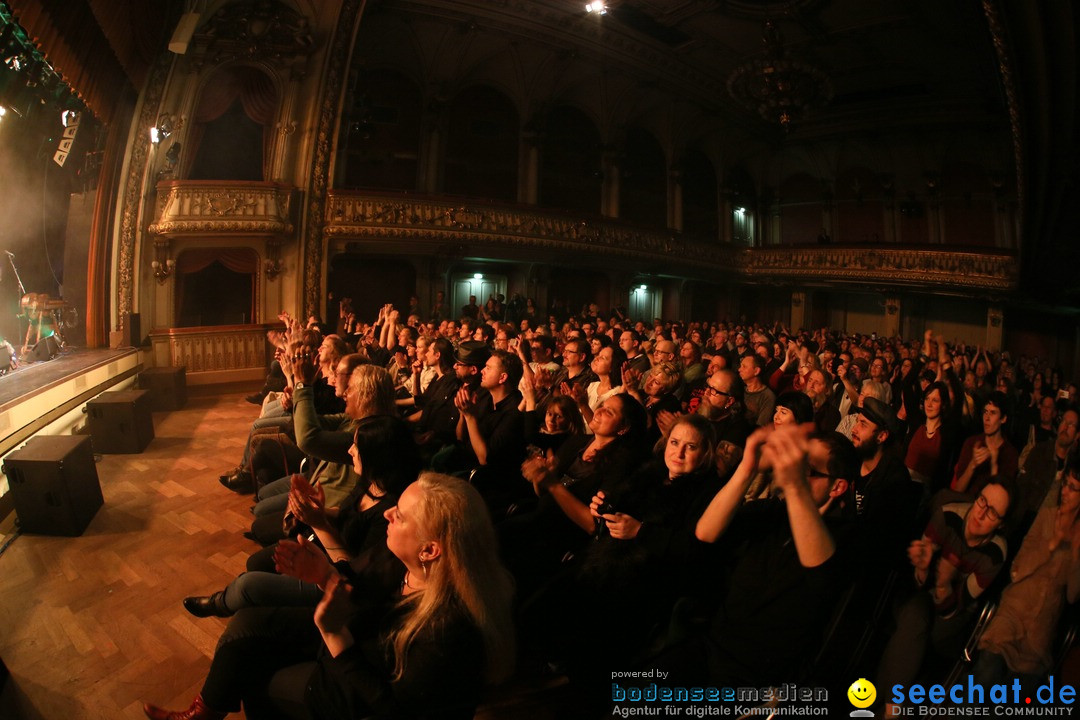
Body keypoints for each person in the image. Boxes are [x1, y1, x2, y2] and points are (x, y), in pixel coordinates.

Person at [143, 473, 515, 720]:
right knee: (248, 627)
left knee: (257, 681)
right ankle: (203, 714)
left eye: (400, 516)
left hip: (354, 681)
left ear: (430, 550)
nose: (388, 514)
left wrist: (335, 634)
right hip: (352, 637)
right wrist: (322, 573)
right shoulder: (400, 557)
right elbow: (358, 581)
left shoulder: (448, 627)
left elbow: (391, 710)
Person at [182, 416, 420, 617]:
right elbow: (349, 516)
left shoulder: (391, 511)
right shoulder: (372, 481)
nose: (350, 451)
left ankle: (219, 603)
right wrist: (318, 510)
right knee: (256, 562)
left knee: (247, 585)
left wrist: (319, 524)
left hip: (334, 579)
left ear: (377, 457)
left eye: (357, 446)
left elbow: (355, 571)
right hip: (323, 547)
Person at [876, 478, 1016, 717]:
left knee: (913, 634)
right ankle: (891, 712)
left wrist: (944, 584)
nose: (981, 513)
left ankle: (879, 704)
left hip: (954, 616)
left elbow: (958, 607)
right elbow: (916, 584)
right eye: (982, 501)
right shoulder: (948, 515)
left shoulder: (995, 553)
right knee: (915, 617)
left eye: (992, 513)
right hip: (918, 600)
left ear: (1001, 525)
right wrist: (922, 569)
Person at [973, 462, 1080, 688]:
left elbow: (1071, 595)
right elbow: (1017, 569)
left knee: (1018, 694)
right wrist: (1052, 544)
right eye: (1066, 484)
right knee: (987, 675)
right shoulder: (1048, 516)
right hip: (1014, 611)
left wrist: (1076, 555)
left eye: (1073, 487)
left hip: (1041, 630)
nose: (1065, 491)